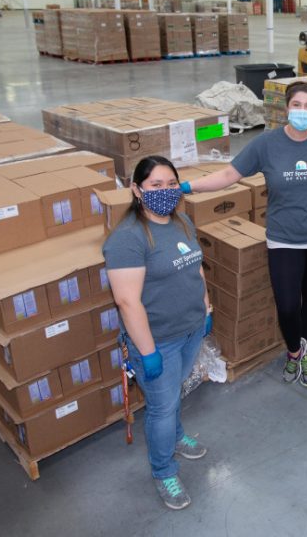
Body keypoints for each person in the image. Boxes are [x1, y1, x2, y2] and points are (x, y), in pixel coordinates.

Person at [181, 81, 307, 388]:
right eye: (297, 105)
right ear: (286, 107)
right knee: (288, 304)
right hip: (284, 238)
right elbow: (228, 175)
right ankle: (294, 351)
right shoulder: (266, 145)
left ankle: (303, 353)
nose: (302, 111)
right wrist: (187, 186)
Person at [103, 155, 213, 510]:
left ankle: (177, 436)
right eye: (155, 185)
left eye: (170, 185)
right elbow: (127, 301)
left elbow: (196, 268)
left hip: (191, 328)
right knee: (162, 407)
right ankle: (164, 469)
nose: (164, 192)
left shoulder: (181, 221)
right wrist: (147, 351)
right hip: (158, 340)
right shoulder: (127, 239)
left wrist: (206, 307)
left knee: (173, 393)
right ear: (137, 190)